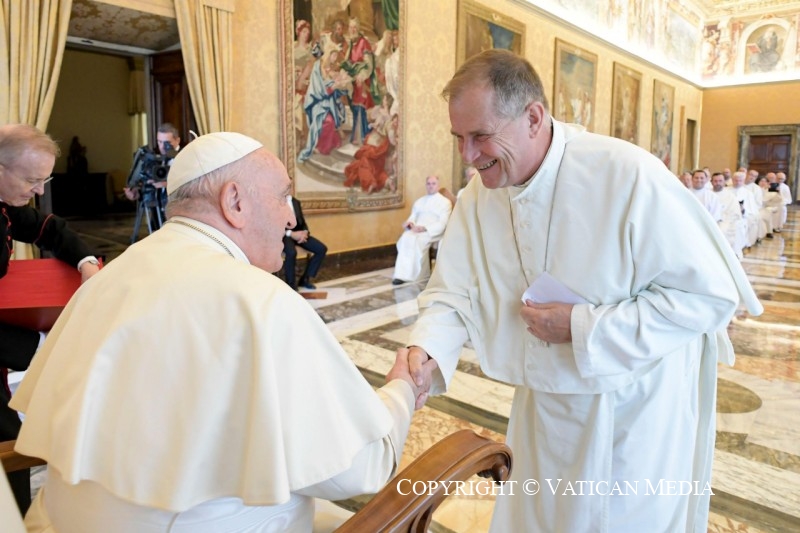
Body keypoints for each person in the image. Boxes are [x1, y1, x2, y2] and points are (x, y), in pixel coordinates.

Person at [401, 50, 762, 532]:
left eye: (480, 136)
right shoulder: (478, 197)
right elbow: (453, 291)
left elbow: (707, 297)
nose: (467, 155)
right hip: (543, 408)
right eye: (459, 138)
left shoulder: (625, 173)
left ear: (533, 118)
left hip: (630, 411)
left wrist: (581, 326)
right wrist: (426, 349)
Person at [10, 132, 418, 532]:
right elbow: (358, 469)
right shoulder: (261, 301)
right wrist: (401, 391)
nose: (291, 218)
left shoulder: (106, 279)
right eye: (283, 197)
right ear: (235, 201)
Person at [0, 124, 100, 514]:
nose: (40, 190)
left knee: (11, 438)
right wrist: (42, 346)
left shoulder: (6, 203)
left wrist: (86, 262)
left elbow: (48, 229)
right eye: (31, 180)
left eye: (45, 180)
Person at [392, 175, 452, 285]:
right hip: (416, 229)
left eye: (433, 184)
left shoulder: (445, 202)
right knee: (406, 238)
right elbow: (413, 217)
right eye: (428, 184)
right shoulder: (419, 201)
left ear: (438, 186)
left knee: (418, 241)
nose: (430, 186)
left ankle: (419, 275)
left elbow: (443, 223)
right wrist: (410, 223)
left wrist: (425, 228)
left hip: (431, 231)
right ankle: (401, 275)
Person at [283, 195, 327, 290]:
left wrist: (305, 232)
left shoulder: (295, 201)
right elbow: (273, 225)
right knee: (291, 252)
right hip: (284, 235)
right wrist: (291, 234)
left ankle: (304, 280)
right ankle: (291, 285)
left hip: (299, 233)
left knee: (321, 249)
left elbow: (302, 221)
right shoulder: (275, 201)